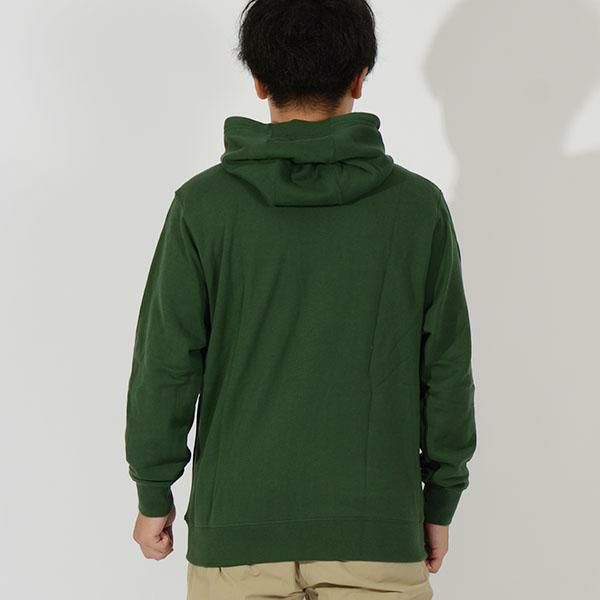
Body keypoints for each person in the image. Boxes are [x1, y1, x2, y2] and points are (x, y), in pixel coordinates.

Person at [124, 1, 477, 598]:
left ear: (259, 80)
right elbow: (445, 369)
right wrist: (440, 498)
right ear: (360, 77)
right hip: (377, 532)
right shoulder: (417, 209)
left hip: (236, 535)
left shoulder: (202, 207)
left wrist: (153, 491)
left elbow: (166, 365)